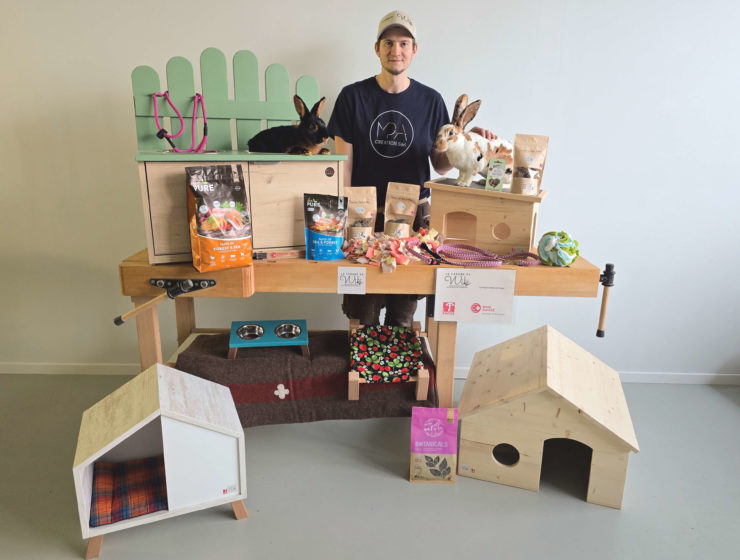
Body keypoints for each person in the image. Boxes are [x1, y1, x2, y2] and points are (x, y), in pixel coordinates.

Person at [328, 10, 495, 327]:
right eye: (388, 43)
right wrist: (344, 219)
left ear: (414, 50)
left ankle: (398, 360)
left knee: (403, 315)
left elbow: (441, 165)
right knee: (361, 316)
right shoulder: (353, 97)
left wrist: (466, 142)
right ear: (377, 48)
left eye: (404, 43)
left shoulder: (431, 101)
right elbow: (342, 167)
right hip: (364, 219)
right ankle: (363, 359)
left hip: (413, 221)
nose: (396, 50)